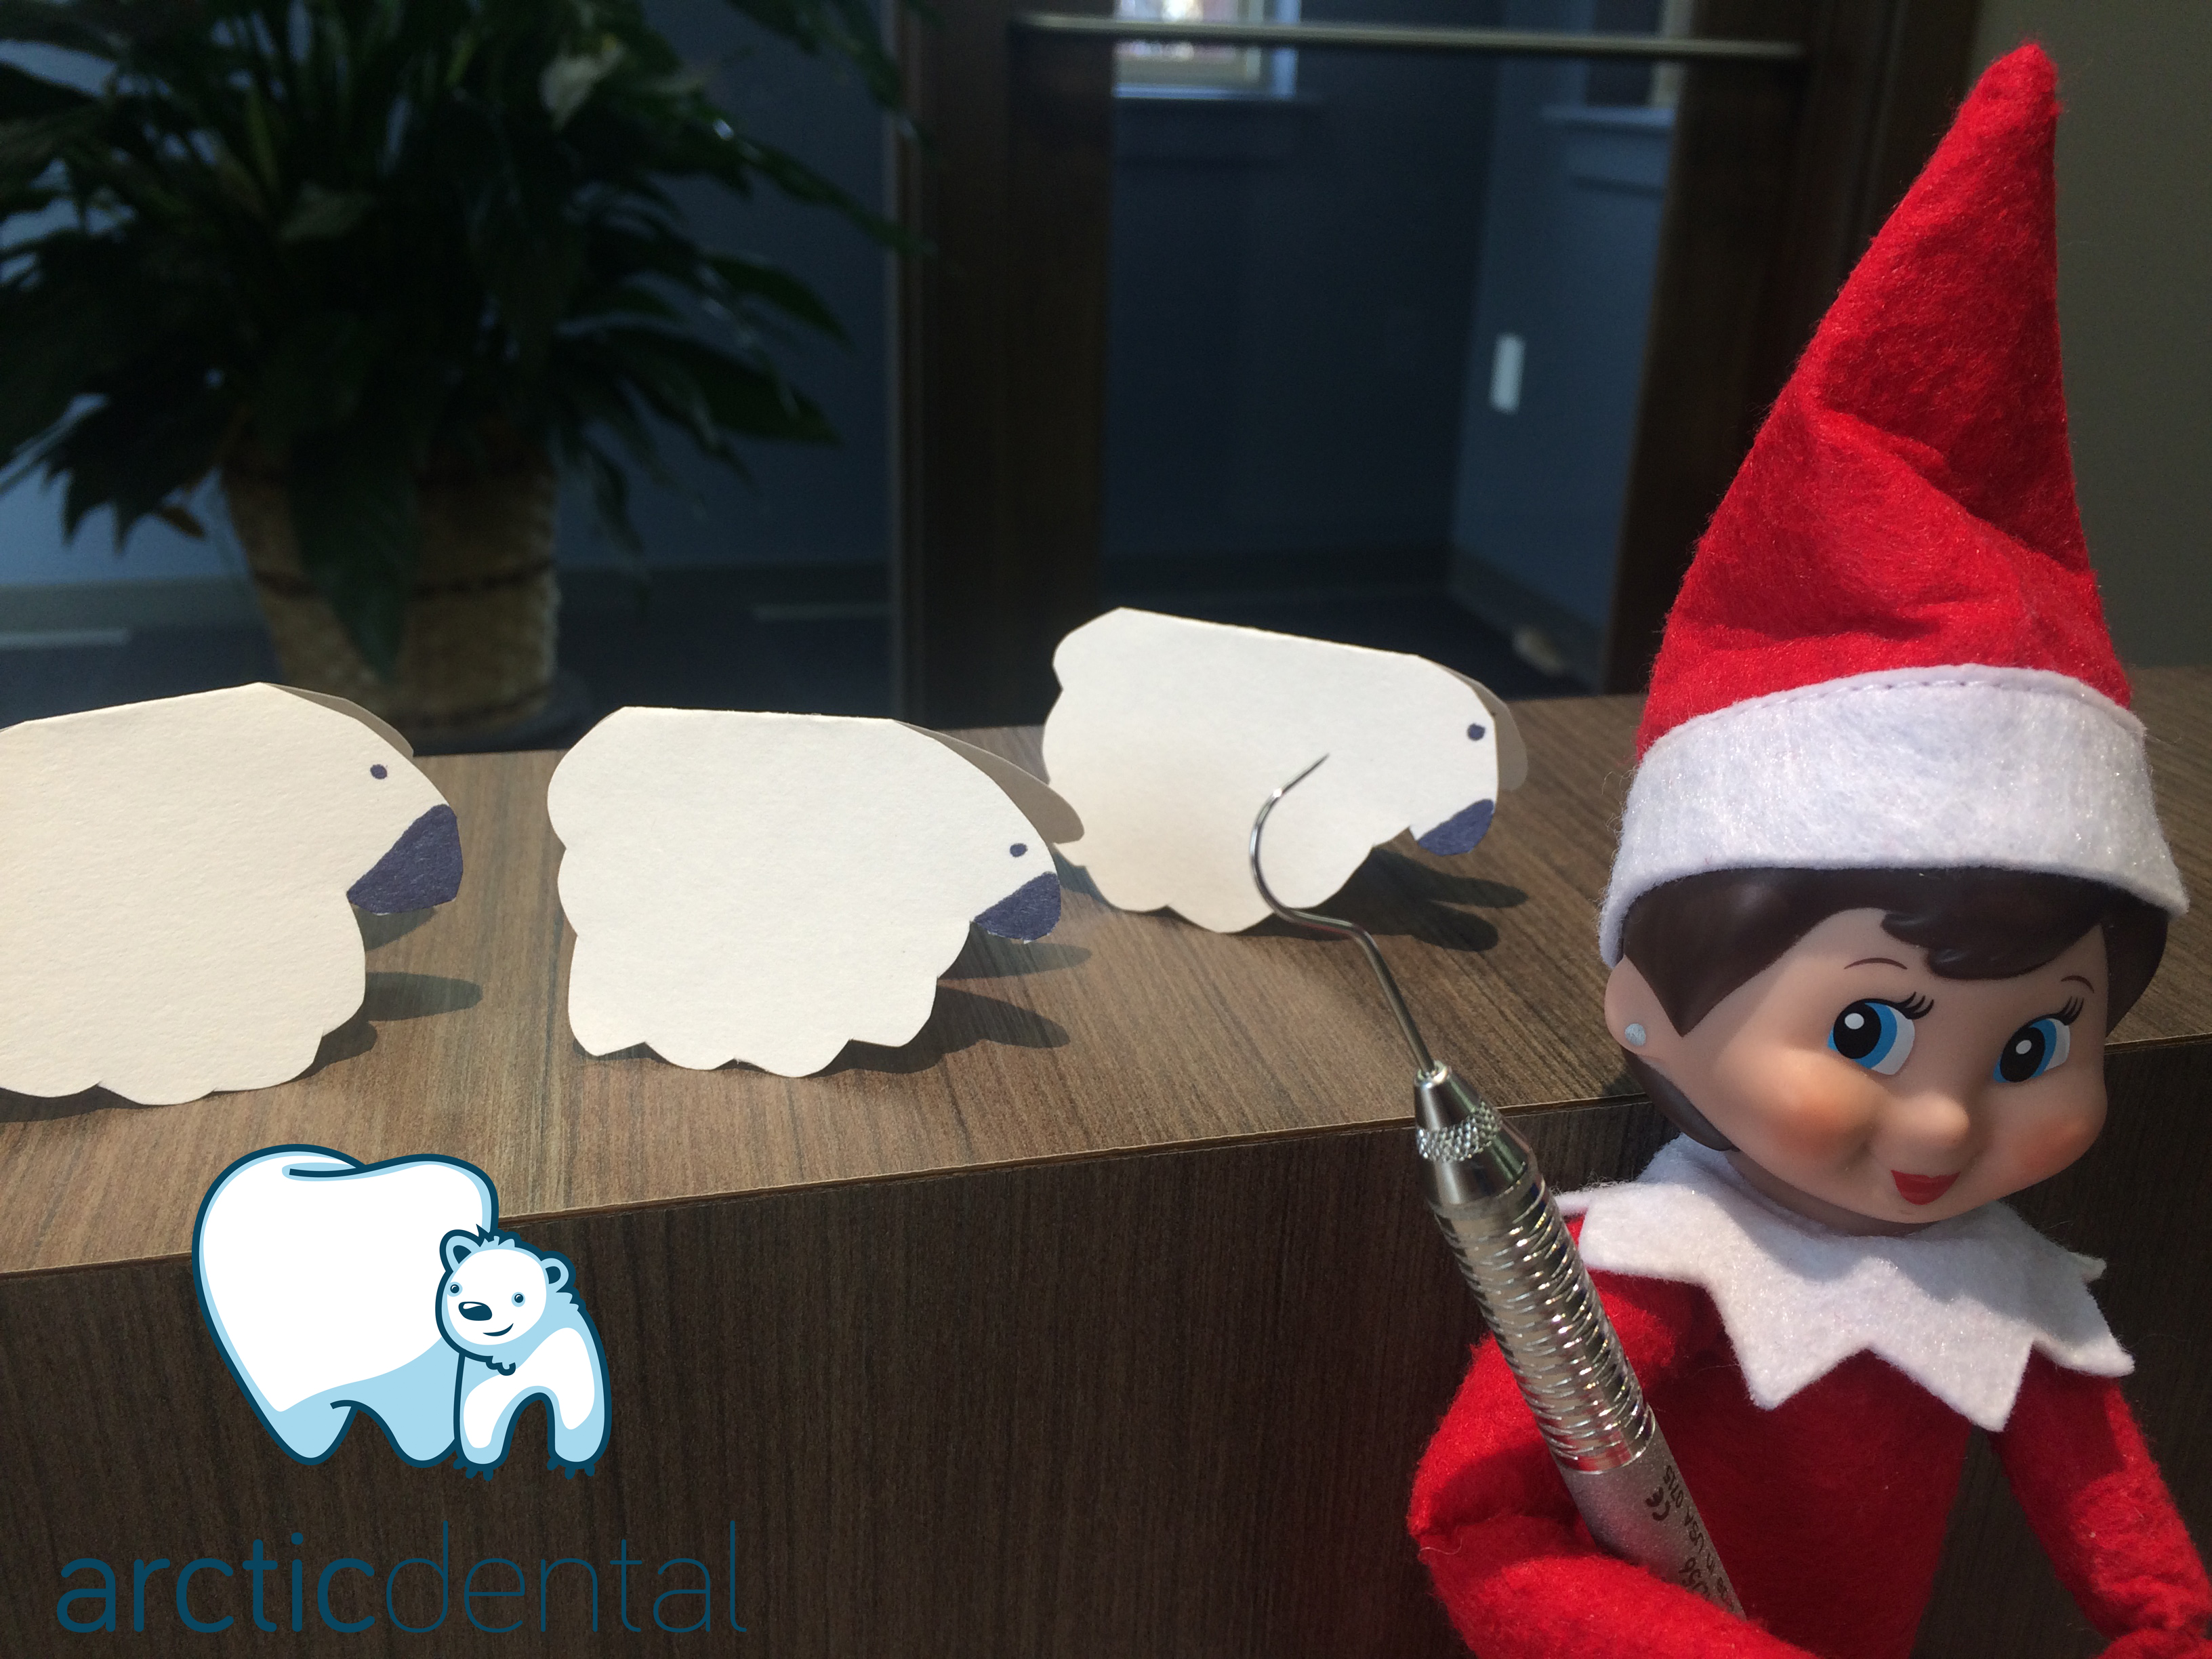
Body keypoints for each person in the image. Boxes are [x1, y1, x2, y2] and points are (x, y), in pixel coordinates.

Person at [1407, 43, 2207, 1659]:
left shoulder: (2011, 1291)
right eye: (1869, 1027)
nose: (1943, 1119)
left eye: (2035, 1046)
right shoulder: (1656, 1270)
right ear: (1646, 1004)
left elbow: (2150, 1586)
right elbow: (1478, 1526)